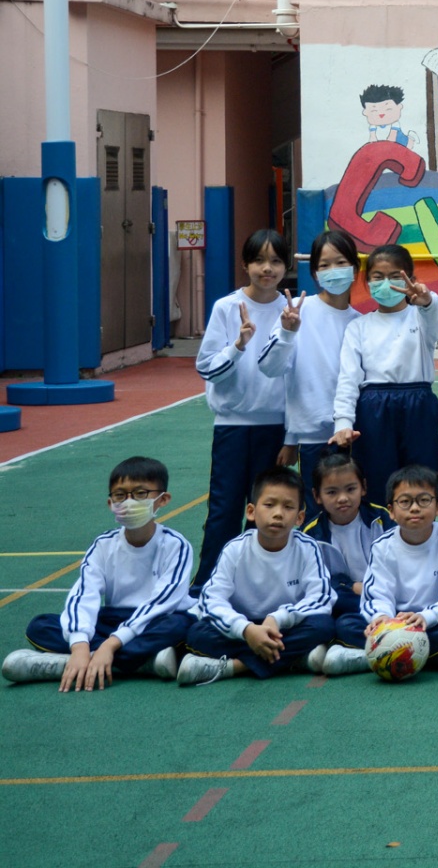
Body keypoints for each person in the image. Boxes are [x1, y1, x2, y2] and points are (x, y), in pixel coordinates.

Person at [3, 456, 193, 688]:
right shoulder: (103, 545)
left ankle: (77, 662)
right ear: (110, 503)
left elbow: (161, 604)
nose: (129, 501)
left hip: (156, 620)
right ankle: (139, 662)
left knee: (180, 626)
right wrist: (80, 646)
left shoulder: (176, 545)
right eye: (120, 495)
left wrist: (110, 645)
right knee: (40, 625)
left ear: (163, 499)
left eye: (140, 493)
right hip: (115, 619)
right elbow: (84, 594)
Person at [193, 228, 292, 588]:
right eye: (259, 260)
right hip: (232, 426)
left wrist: (292, 435)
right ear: (245, 265)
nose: (268, 268)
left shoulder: (291, 311)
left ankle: (257, 584)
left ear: (285, 267)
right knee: (225, 508)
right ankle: (207, 585)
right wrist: (237, 345)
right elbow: (207, 368)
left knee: (266, 511)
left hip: (275, 428)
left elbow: (296, 376)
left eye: (276, 261)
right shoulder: (227, 307)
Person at [176, 467, 334, 686]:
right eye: (269, 505)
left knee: (323, 625)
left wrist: (277, 618)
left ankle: (235, 666)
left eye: (288, 507)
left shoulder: (307, 547)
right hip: (244, 626)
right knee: (197, 633)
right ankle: (293, 659)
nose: (278, 513)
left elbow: (321, 597)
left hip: (285, 626)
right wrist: (246, 630)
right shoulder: (235, 549)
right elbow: (211, 600)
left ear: (300, 517)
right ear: (251, 511)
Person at [320, 466, 438, 676]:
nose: (414, 508)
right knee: (346, 623)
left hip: (432, 621)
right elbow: (376, 594)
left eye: (424, 500)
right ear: (391, 511)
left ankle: (373, 656)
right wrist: (382, 618)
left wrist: (426, 616)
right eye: (405, 502)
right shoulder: (382, 546)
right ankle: (437, 656)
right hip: (393, 621)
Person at [328, 244, 438, 508]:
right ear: (367, 281)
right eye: (378, 277)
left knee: (422, 478)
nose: (386, 283)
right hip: (374, 410)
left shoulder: (421, 318)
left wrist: (427, 300)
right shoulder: (358, 327)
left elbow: (434, 311)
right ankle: (379, 531)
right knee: (376, 479)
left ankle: (421, 529)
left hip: (418, 406)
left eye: (395, 276)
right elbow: (348, 378)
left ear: (410, 280)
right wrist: (343, 422)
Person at [258, 229, 363, 493]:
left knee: (353, 507)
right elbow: (270, 368)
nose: (333, 270)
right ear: (315, 273)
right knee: (317, 508)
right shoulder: (297, 313)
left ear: (355, 267)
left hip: (354, 435)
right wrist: (287, 333)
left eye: (341, 262)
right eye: (324, 265)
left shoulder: (361, 322)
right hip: (314, 438)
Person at [298, 451, 390, 654]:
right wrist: (350, 586)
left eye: (350, 489)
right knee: (341, 622)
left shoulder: (383, 519)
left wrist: (374, 588)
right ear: (317, 496)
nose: (342, 498)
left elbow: (401, 563)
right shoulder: (310, 535)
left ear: (363, 487)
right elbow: (316, 582)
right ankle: (390, 644)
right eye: (331, 492)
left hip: (388, 596)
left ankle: (357, 653)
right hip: (350, 603)